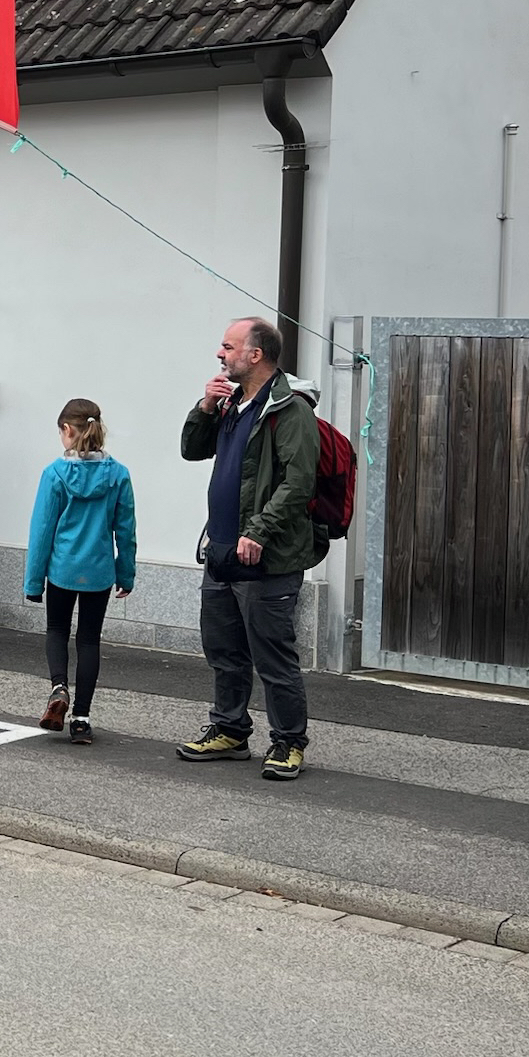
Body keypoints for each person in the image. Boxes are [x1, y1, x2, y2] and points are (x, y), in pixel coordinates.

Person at [180, 318, 320, 780]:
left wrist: (259, 531)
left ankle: (288, 742)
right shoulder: (230, 404)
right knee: (224, 650)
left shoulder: (289, 409)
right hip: (221, 551)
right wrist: (205, 406)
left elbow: (299, 482)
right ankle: (230, 730)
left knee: (273, 657)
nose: (220, 354)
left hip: (267, 558)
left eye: (228, 346)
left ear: (255, 354)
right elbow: (192, 450)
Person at [23, 398, 137, 745]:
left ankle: (59, 687)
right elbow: (126, 530)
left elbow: (42, 531)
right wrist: (126, 574)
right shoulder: (118, 474)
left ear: (67, 430)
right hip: (99, 570)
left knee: (57, 630)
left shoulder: (54, 474)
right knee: (89, 640)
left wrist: (33, 582)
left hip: (62, 568)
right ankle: (82, 720)